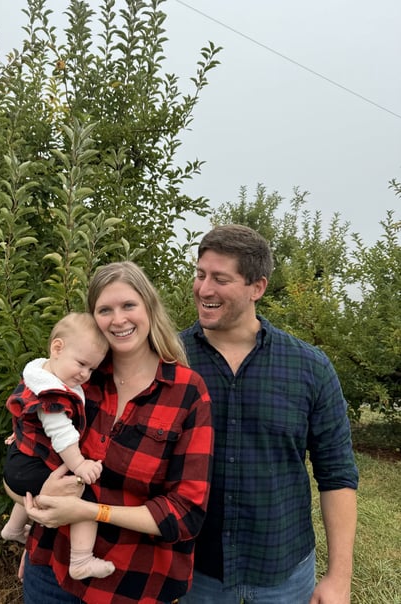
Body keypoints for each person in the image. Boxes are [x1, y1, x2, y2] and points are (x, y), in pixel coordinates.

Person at [12, 261, 214, 604]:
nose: (118, 319)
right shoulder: (76, 379)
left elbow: (185, 512)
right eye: (105, 309)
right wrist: (36, 501)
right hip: (50, 568)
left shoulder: (186, 391)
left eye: (128, 306)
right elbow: (21, 459)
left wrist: (91, 512)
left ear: (149, 307)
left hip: (132, 583)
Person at [179, 224, 359, 604]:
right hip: (195, 570)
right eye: (200, 274)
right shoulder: (170, 360)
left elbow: (337, 474)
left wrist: (339, 577)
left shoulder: (309, 367)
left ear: (256, 288)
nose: (204, 289)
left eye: (220, 279)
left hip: (284, 569)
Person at [2, 312, 115, 580]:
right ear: (57, 348)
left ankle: (14, 528)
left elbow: (23, 411)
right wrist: (80, 465)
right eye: (81, 364)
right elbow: (62, 435)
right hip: (26, 464)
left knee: (38, 482)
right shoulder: (54, 395)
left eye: (91, 369)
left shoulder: (39, 374)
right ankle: (81, 560)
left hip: (20, 458)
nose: (85, 375)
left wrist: (17, 435)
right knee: (84, 497)